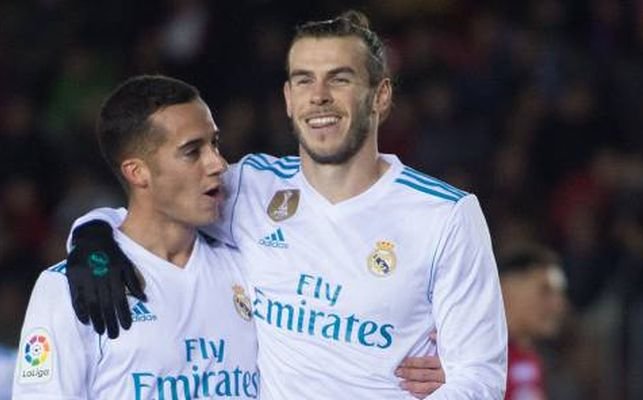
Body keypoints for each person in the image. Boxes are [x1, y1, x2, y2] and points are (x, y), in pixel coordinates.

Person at [65, 10, 506, 399]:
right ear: (288, 99)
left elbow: (480, 378)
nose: (319, 95)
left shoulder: (445, 216)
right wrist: (92, 234)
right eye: (304, 80)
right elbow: (159, 199)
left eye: (340, 78)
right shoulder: (252, 188)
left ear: (380, 96)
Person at [12, 75, 259, 399]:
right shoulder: (69, 287)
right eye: (191, 152)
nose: (218, 163)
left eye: (214, 143)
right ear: (137, 172)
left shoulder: (249, 265)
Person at [499, 244, 567, 400]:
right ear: (506, 290)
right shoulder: (474, 358)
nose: (558, 304)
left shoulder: (534, 359)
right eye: (545, 291)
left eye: (559, 293)